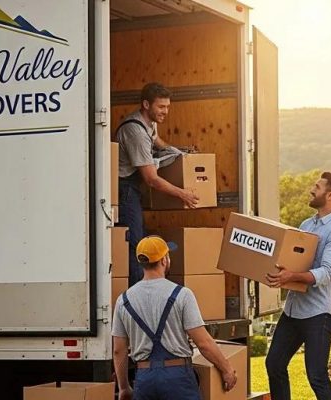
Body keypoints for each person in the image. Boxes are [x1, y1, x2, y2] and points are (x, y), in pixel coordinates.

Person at [112, 236, 237, 400]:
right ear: (164, 260)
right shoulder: (182, 295)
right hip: (178, 379)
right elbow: (203, 343)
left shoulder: (123, 301)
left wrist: (124, 388)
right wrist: (227, 369)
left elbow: (119, 350)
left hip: (145, 378)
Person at [264, 172, 331, 400]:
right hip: (294, 309)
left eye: (317, 187)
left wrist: (292, 275)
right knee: (274, 364)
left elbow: (328, 273)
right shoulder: (307, 224)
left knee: (316, 375)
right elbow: (296, 260)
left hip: (319, 312)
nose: (312, 190)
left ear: (330, 195)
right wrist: (282, 273)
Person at [115, 82, 198, 287]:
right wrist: (183, 194)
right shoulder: (135, 131)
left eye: (167, 107)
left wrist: (179, 154)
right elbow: (151, 179)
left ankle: (145, 288)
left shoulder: (149, 123)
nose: (165, 112)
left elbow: (158, 141)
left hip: (133, 188)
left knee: (141, 239)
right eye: (161, 107)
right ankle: (138, 294)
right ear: (146, 105)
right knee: (135, 244)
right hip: (124, 188)